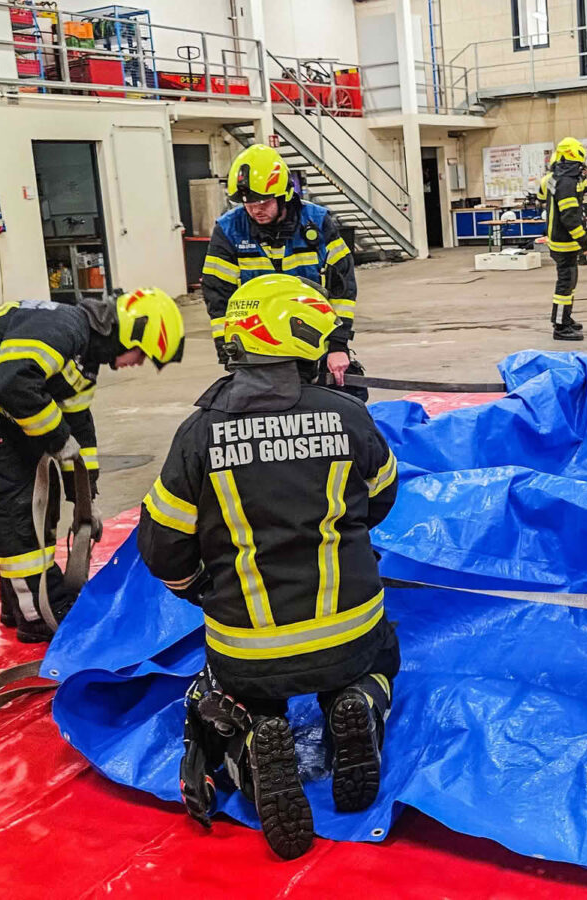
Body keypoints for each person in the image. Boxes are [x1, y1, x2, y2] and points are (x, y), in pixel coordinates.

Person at [139, 273, 399, 860]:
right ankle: (359, 703)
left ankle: (255, 734)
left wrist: (200, 589)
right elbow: (382, 497)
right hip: (351, 633)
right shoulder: (348, 416)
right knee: (379, 657)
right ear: (302, 341)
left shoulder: (198, 434)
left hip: (248, 648)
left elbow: (161, 546)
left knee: (239, 693)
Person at [0, 289, 184, 642]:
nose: (138, 363)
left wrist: (86, 498)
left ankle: (18, 603)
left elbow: (78, 427)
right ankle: (38, 614)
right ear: (132, 332)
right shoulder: (65, 327)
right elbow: (13, 381)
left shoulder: (84, 358)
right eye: (143, 354)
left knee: (39, 505)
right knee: (16, 509)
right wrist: (56, 438)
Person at [201, 145, 360, 390]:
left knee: (342, 398)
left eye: (263, 201)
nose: (256, 209)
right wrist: (228, 350)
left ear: (284, 194)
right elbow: (217, 296)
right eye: (247, 203)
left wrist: (338, 346)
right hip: (258, 345)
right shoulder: (229, 231)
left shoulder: (317, 222)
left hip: (313, 339)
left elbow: (343, 290)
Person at [539, 137, 587, 341]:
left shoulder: (555, 178)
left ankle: (565, 318)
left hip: (558, 238)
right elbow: (569, 217)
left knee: (569, 282)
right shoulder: (567, 182)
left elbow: (541, 195)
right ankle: (561, 327)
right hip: (564, 241)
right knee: (565, 285)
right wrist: (585, 244)